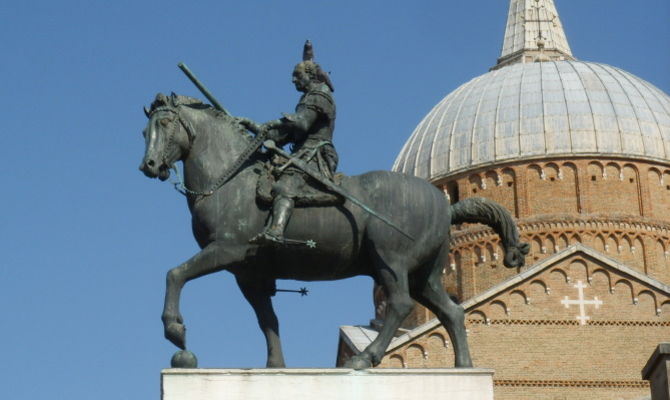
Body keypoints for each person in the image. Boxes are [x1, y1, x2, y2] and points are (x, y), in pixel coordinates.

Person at [240, 40, 339, 244]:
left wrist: (274, 122)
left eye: (297, 75)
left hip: (315, 154)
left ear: (309, 76)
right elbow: (283, 136)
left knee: (286, 185)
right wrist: (255, 127)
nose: (293, 80)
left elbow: (301, 124)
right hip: (302, 152)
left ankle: (276, 230)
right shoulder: (307, 98)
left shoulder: (320, 96)